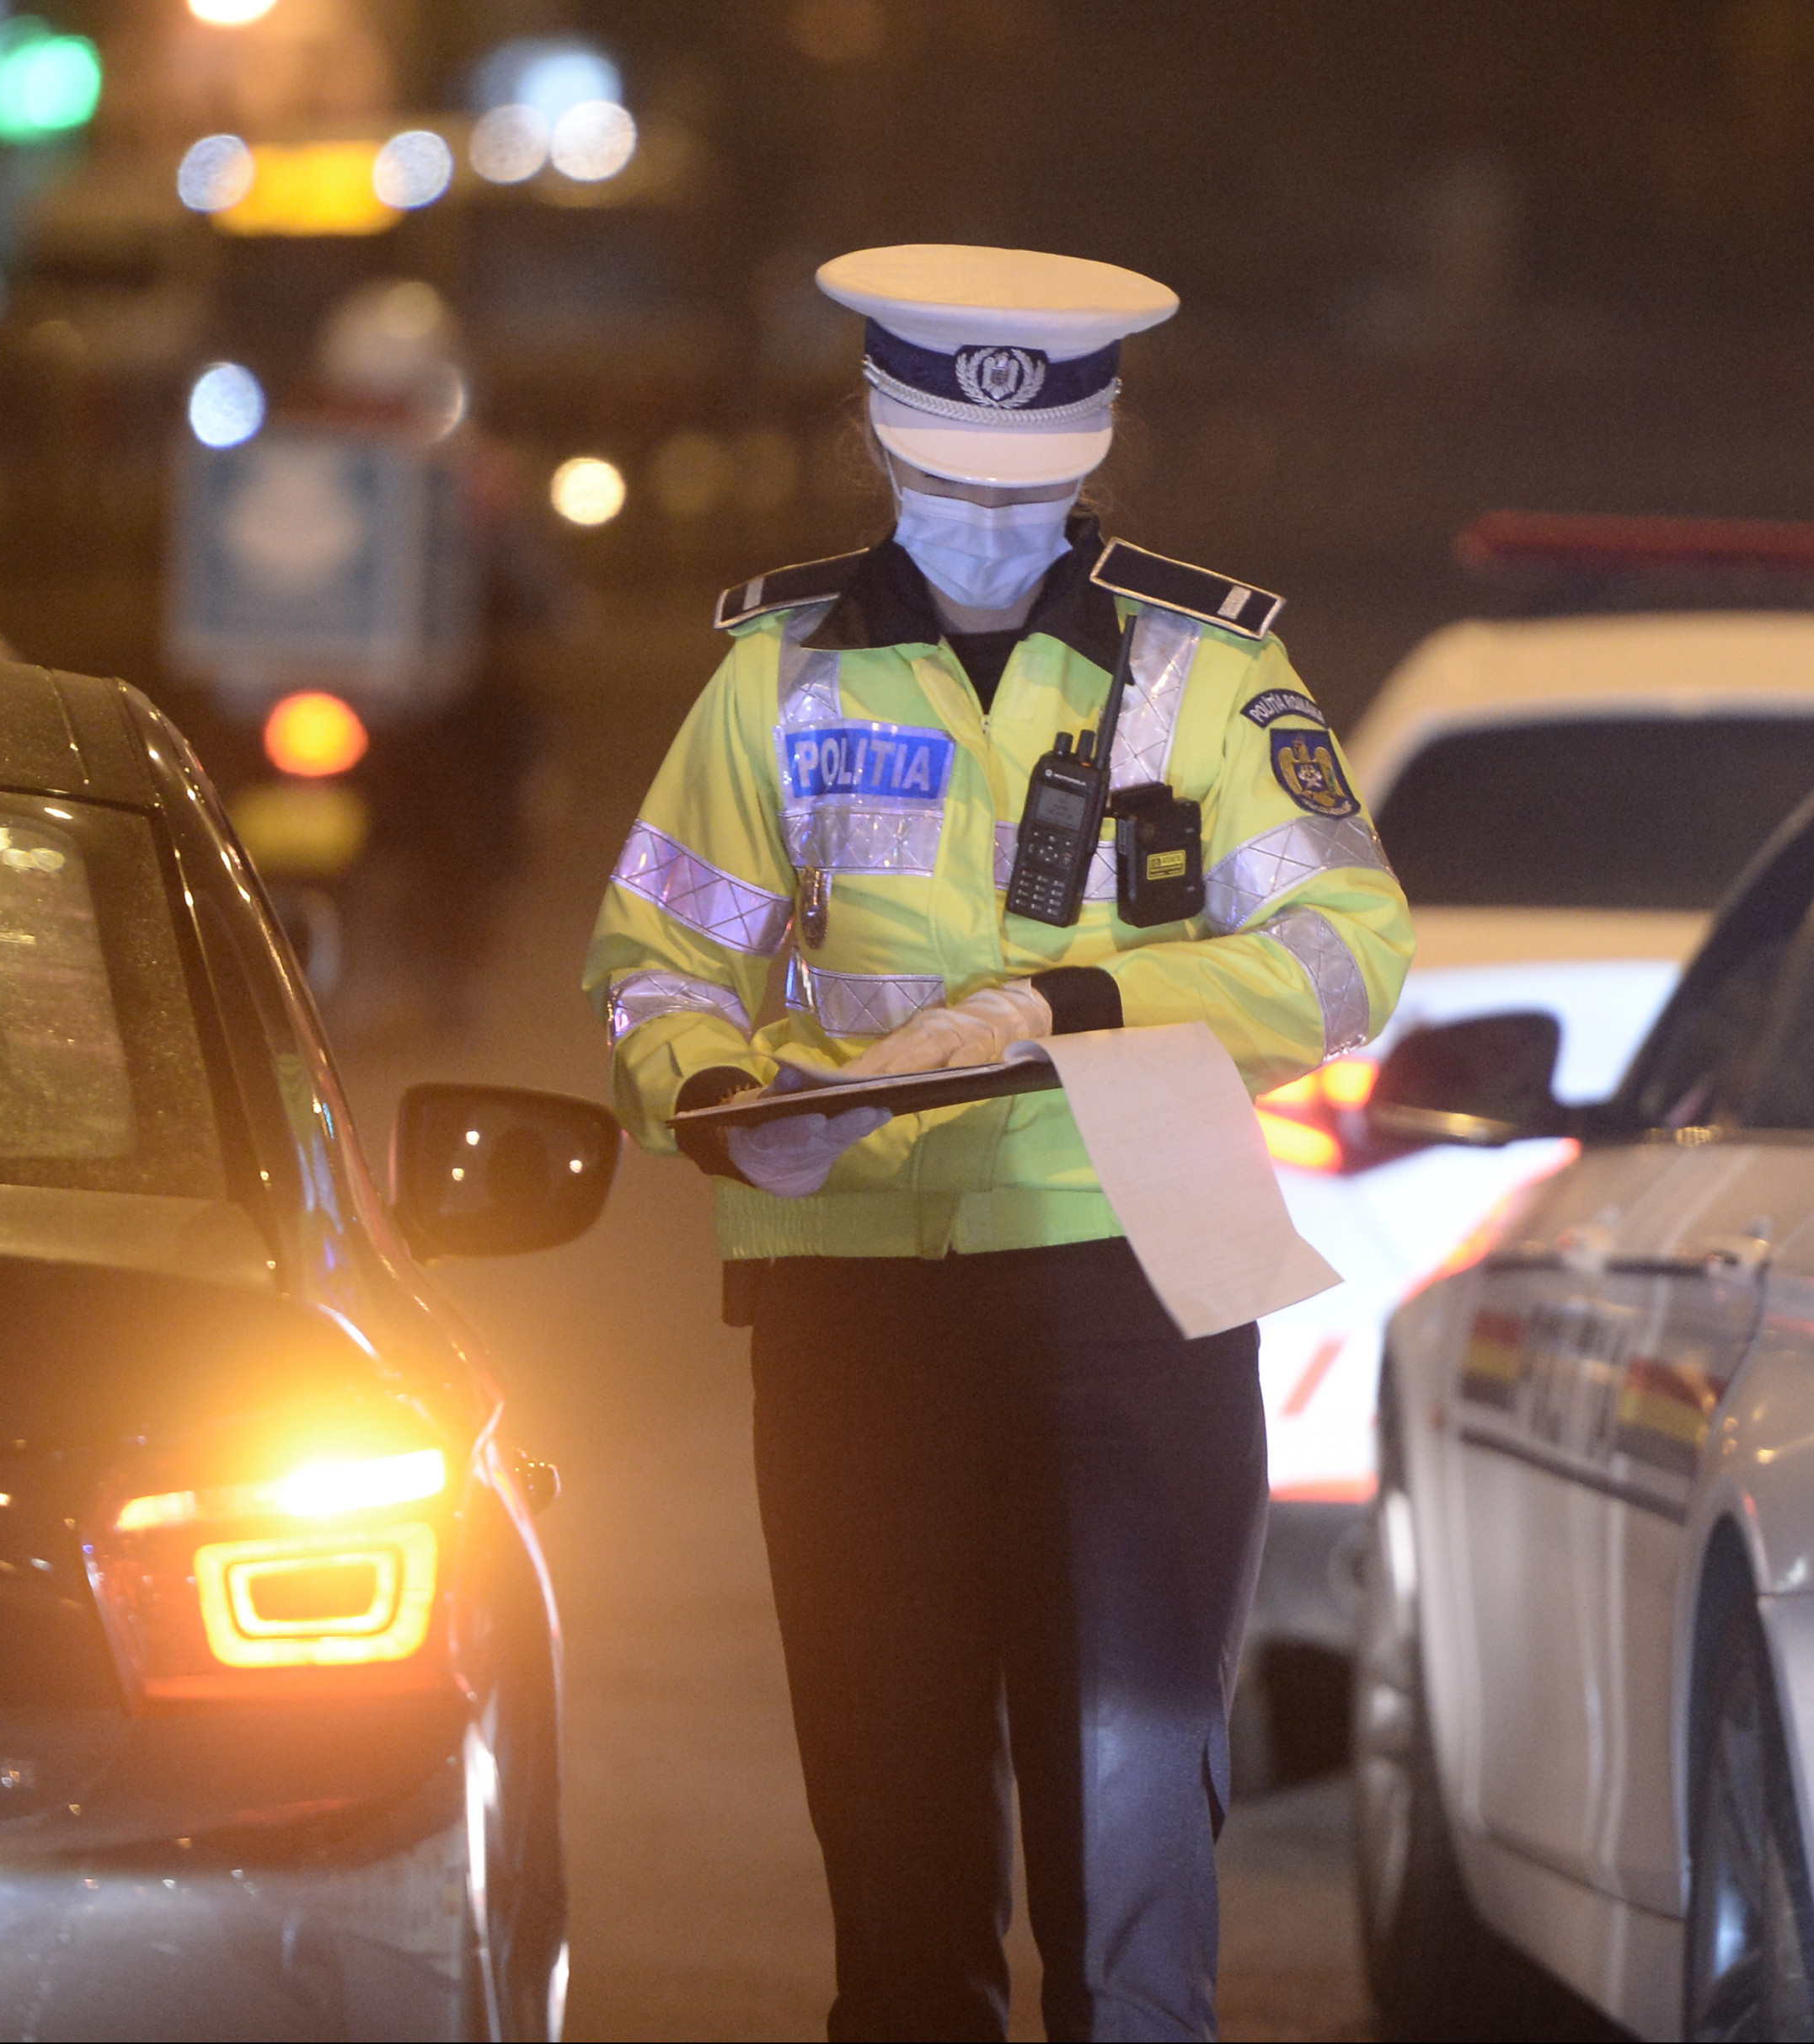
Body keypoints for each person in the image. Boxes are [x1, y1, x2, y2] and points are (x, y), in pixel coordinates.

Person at [581, 243, 1412, 2042]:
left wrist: (1076, 1005)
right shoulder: (780, 673)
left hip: (1129, 1283)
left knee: (1132, 1845)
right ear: (881, 444)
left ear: (1093, 460)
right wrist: (720, 1109)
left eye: (1026, 492)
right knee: (893, 1853)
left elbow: (1351, 953)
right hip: (852, 1306)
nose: (985, 522)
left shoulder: (1206, 671)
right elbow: (658, 960)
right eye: (951, 484)